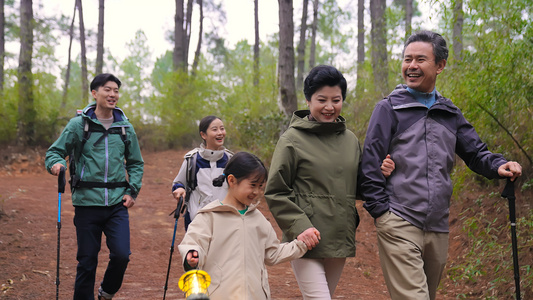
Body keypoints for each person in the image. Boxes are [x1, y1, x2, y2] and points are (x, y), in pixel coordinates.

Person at [359, 30, 522, 300]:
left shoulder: (450, 112)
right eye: (407, 59)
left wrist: (499, 165)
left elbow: (476, 153)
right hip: (399, 219)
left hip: (437, 225)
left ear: (440, 65)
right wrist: (381, 213)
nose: (411, 66)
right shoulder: (388, 109)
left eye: (420, 59)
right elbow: (370, 162)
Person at [264, 65, 394, 299]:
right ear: (308, 99)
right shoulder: (292, 140)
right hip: (306, 239)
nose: (329, 107)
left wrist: (381, 174)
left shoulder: (350, 140)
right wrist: (301, 228)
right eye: (321, 99)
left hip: (338, 237)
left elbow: (357, 187)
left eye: (336, 100)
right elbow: (276, 191)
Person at [45, 73, 144, 300]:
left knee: (121, 256)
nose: (112, 95)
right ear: (94, 93)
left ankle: (106, 292)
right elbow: (54, 152)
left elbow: (136, 163)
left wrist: (132, 190)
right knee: (87, 260)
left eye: (116, 91)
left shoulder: (125, 128)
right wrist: (57, 164)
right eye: (107, 90)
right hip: (87, 204)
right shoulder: (78, 125)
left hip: (117, 204)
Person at [178, 151, 308, 299]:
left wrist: (301, 244)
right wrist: (192, 254)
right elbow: (193, 243)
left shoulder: (258, 218)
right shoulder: (209, 215)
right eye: (253, 185)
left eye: (260, 186)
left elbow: (273, 253)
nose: (257, 192)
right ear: (232, 180)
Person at [171, 115, 233, 230]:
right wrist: (179, 189)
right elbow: (178, 183)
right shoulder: (193, 159)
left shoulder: (231, 160)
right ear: (203, 135)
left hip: (225, 221)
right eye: (215, 129)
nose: (220, 133)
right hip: (197, 219)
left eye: (222, 128)